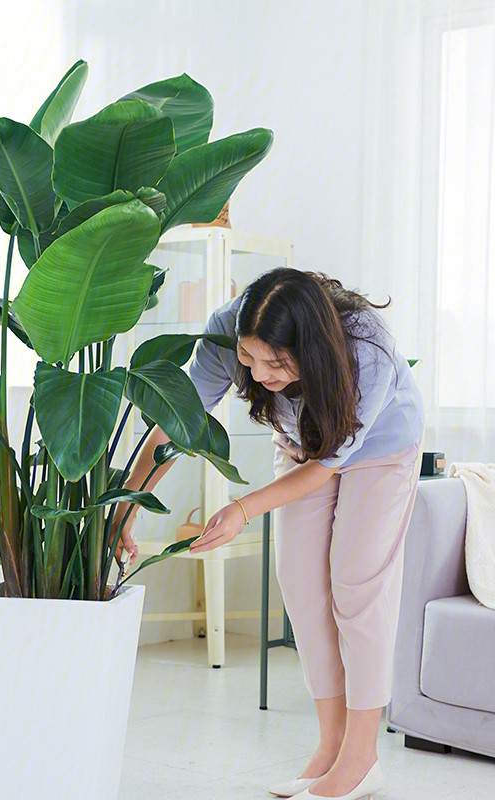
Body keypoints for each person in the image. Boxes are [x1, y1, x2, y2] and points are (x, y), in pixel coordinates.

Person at [117, 268, 424, 800]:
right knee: (300, 585)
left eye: (276, 363)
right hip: (302, 443)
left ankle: (361, 757)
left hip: (378, 449)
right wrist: (126, 506)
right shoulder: (228, 330)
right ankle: (329, 747)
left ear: (312, 349)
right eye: (249, 358)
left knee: (356, 583)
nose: (257, 375)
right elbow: (180, 420)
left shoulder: (364, 350)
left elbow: (330, 464)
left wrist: (241, 508)